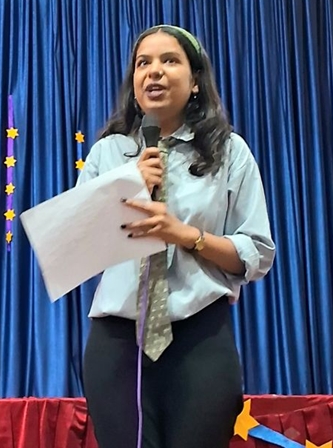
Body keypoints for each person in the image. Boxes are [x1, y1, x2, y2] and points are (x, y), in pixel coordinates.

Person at [76, 25, 276, 448]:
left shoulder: (229, 152)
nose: (154, 72)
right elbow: (78, 248)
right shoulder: (107, 153)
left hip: (200, 335)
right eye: (143, 63)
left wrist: (185, 235)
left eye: (169, 61)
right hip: (118, 343)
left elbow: (257, 253)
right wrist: (124, 189)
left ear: (196, 80)